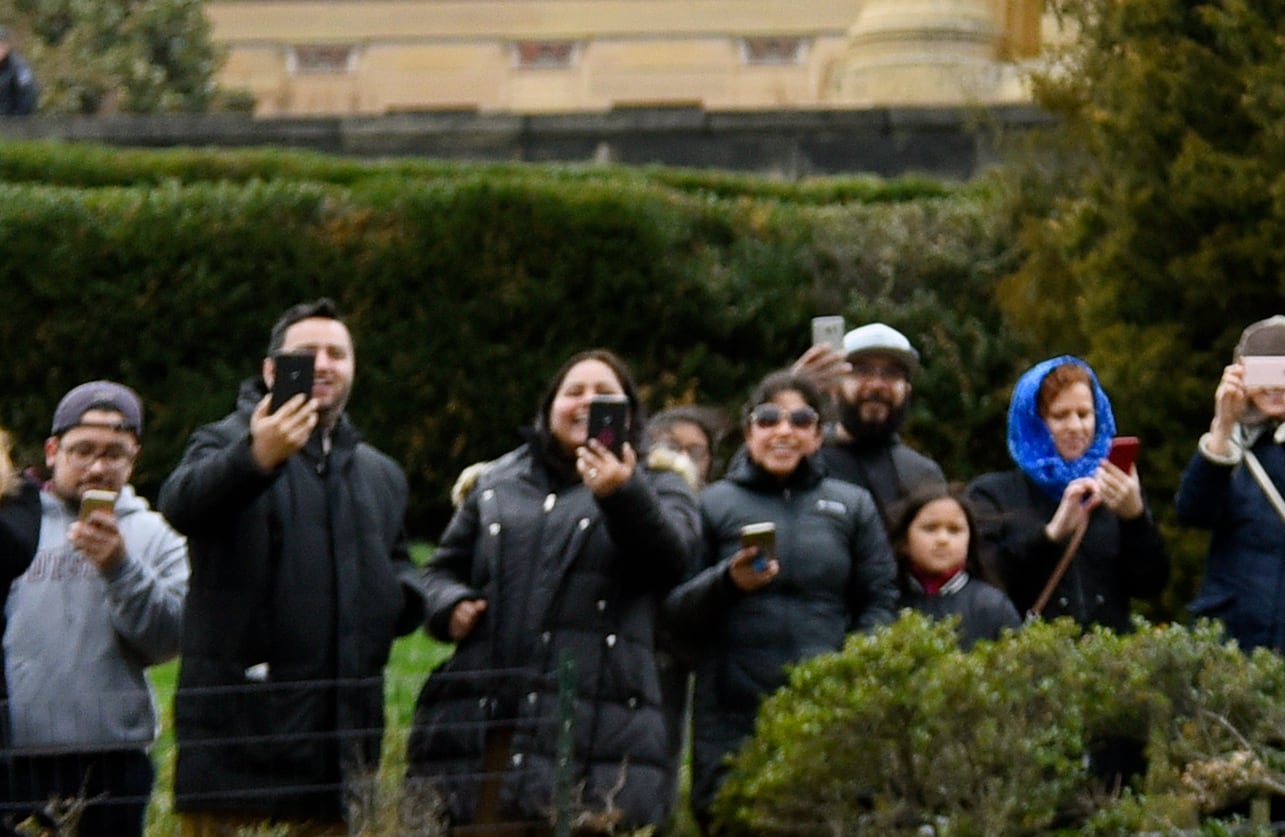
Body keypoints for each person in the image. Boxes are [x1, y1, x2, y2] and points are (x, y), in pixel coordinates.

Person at [404, 349, 704, 830]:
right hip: (490, 726)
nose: (588, 402)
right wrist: (451, 606)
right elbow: (436, 572)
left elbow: (674, 561)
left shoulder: (660, 481)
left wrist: (622, 493)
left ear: (629, 413)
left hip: (596, 732)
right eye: (574, 392)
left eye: (605, 394)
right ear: (549, 408)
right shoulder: (494, 482)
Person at [159, 299, 419, 830]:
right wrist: (256, 457)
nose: (323, 364)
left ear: (352, 368)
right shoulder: (223, 440)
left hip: (341, 759)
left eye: (337, 354)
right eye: (307, 353)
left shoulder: (381, 474)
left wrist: (403, 604)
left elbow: (400, 568)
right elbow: (180, 504)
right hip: (237, 756)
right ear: (271, 370)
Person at [668, 367, 896, 815]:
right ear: (749, 431)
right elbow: (674, 614)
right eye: (768, 419)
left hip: (830, 709)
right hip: (733, 715)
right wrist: (728, 582)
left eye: (800, 420)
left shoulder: (853, 505)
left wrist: (850, 672)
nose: (783, 431)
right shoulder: (711, 504)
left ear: (818, 435)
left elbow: (880, 600)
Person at [2, 384, 186, 837]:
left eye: (115, 454)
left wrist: (120, 568)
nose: (98, 467)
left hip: (114, 759)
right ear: (52, 450)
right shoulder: (12, 526)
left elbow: (169, 640)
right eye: (82, 450)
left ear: (134, 457)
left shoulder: (156, 534)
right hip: (15, 757)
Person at [1170, 319, 1285, 675]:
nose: (1274, 385)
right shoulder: (1229, 448)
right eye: (1262, 371)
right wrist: (1222, 428)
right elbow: (1192, 512)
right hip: (1230, 642)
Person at [964, 357, 1163, 633]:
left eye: (1084, 414)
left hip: (1110, 664)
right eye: (1059, 416)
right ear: (1033, 423)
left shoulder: (1115, 491)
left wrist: (1135, 518)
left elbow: (1150, 584)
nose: (1075, 427)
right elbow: (984, 580)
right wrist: (1050, 535)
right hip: (1031, 663)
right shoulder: (992, 494)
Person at [809, 325, 948, 532]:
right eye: (862, 371)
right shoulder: (804, 460)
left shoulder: (922, 475)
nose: (877, 384)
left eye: (892, 374)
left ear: (907, 390)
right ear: (835, 386)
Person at [891, 491, 1021, 644]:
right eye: (930, 528)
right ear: (904, 541)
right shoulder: (885, 601)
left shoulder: (992, 606)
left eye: (954, 530)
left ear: (970, 541)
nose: (942, 539)